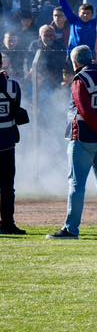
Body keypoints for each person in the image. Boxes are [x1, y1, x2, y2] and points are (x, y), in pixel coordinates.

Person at [49, 45, 97, 239]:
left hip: (83, 138)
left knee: (76, 184)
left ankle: (70, 229)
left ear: (75, 62)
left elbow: (84, 110)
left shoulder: (80, 79)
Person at [0, 54, 29, 234]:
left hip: (7, 139)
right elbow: (15, 107)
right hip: (6, 140)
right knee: (7, 185)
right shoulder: (12, 85)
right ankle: (8, 223)